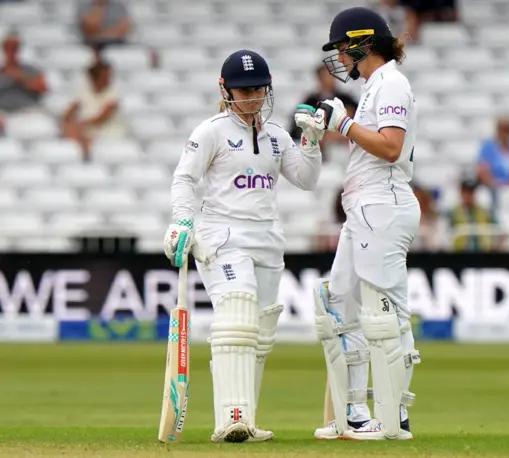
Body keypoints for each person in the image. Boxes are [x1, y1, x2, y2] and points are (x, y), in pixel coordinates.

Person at [163, 49, 323, 443]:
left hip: (268, 238)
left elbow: (306, 179)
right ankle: (230, 419)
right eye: (243, 90)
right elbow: (184, 179)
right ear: (226, 89)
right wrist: (183, 220)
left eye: (258, 90)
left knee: (260, 332)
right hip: (223, 235)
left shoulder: (275, 136)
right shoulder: (211, 131)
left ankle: (246, 420)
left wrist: (312, 142)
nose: (251, 98)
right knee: (236, 317)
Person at [310, 7, 421, 441]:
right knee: (340, 304)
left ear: (361, 43)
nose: (339, 56)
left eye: (342, 47)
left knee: (383, 313)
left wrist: (345, 123)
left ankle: (394, 419)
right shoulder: (378, 84)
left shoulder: (391, 82)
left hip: (383, 206)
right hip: (365, 208)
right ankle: (357, 414)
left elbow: (390, 147)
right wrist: (326, 130)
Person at [61, 59, 125, 159]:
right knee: (70, 130)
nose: (108, 79)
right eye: (105, 76)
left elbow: (102, 117)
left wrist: (81, 124)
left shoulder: (113, 92)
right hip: (86, 132)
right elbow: (69, 112)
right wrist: (69, 123)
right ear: (94, 78)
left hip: (108, 134)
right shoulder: (82, 92)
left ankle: (86, 156)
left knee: (80, 133)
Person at [476, 114, 509, 193]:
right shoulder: (488, 148)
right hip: (493, 191)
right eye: (503, 129)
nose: (505, 133)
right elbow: (482, 172)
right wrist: (498, 187)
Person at [0, 31, 48, 116]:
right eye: (8, 47)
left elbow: (43, 88)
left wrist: (17, 76)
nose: (11, 52)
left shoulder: (30, 69)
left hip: (27, 111)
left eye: (14, 48)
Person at [448, 179, 496, 252]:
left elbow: (496, 229)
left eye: (471, 192)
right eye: (466, 192)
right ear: (461, 192)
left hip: (482, 252)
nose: (468, 195)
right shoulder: (453, 212)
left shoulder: (484, 211)